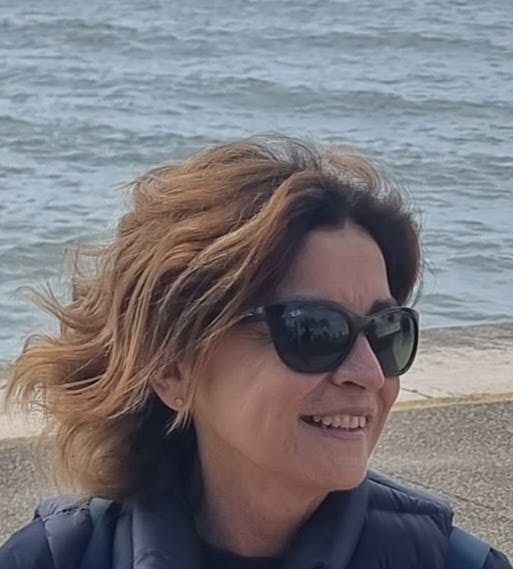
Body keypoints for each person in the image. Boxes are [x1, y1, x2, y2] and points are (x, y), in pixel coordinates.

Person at [0, 136, 510, 568]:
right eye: (314, 331)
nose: (369, 374)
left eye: (386, 331)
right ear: (172, 367)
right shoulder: (55, 558)